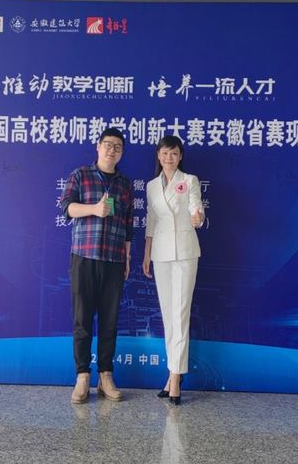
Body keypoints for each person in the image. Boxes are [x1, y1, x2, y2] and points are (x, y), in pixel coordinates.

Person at [60, 128, 134, 404]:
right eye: (108, 145)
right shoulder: (81, 175)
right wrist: (93, 209)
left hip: (115, 260)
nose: (112, 150)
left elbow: (128, 226)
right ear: (98, 146)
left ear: (121, 152)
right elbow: (66, 208)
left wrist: (127, 258)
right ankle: (82, 377)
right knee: (82, 321)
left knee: (109, 322)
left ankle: (106, 377)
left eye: (118, 147)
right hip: (84, 257)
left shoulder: (125, 184)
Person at [142, 135, 204, 405]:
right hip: (160, 254)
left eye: (174, 153)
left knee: (180, 314)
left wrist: (198, 216)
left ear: (180, 156)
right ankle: (173, 373)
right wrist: (147, 254)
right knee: (168, 316)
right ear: (158, 155)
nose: (169, 158)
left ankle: (175, 377)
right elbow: (151, 220)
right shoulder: (151, 186)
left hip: (185, 253)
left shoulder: (189, 180)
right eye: (165, 153)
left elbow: (196, 208)